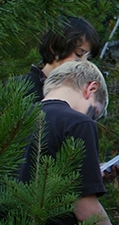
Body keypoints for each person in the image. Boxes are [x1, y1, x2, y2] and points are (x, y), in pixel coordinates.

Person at [18, 59, 111, 224]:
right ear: (91, 88)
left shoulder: (18, 119)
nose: (91, 119)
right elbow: (86, 210)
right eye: (94, 113)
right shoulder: (79, 124)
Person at [16, 16, 100, 103]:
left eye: (88, 58)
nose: (83, 63)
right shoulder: (19, 87)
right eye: (78, 54)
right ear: (54, 48)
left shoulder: (78, 97)